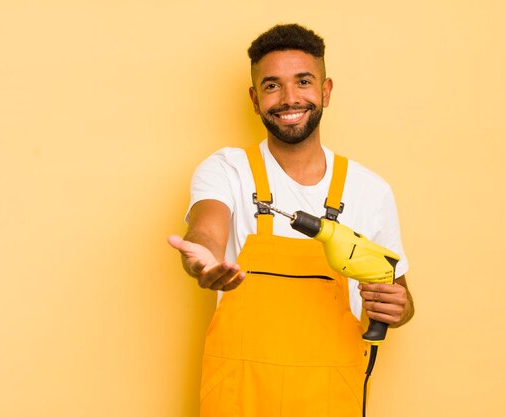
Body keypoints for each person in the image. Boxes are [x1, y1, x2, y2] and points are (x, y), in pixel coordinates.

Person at [168, 23, 414, 417]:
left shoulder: (371, 190)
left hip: (331, 396)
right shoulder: (228, 170)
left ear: (326, 90)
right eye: (271, 86)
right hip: (238, 397)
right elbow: (207, 228)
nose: (288, 98)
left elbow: (399, 295)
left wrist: (399, 308)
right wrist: (202, 255)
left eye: (303, 81)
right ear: (254, 98)